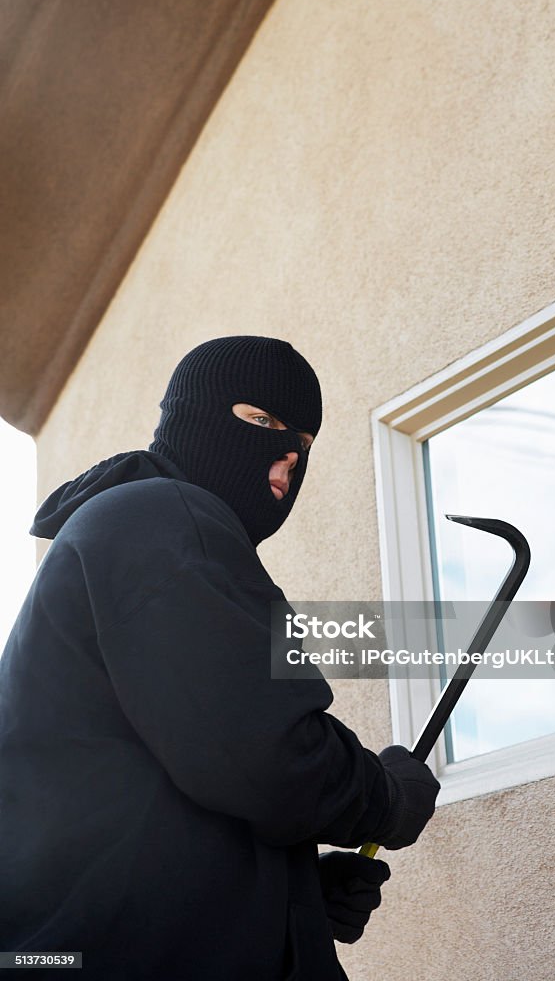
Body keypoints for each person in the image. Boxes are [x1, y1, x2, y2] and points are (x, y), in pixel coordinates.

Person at [0, 336, 440, 979]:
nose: (288, 452)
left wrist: (292, 894)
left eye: (306, 442)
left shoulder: (132, 529)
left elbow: (155, 790)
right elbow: (262, 753)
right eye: (262, 421)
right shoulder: (165, 518)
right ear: (193, 418)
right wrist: (384, 798)